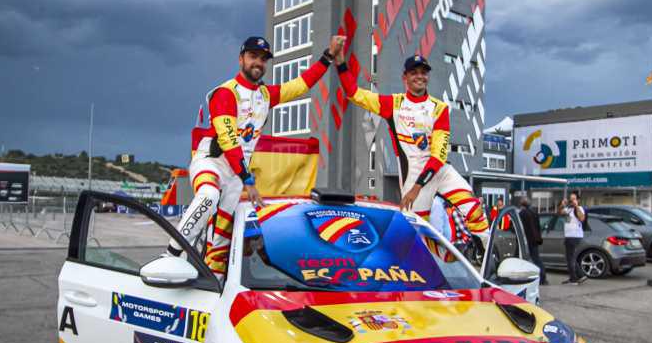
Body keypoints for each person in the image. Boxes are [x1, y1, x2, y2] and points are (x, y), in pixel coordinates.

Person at [167, 34, 347, 276]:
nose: (258, 63)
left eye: (263, 59)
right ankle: (171, 255)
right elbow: (229, 141)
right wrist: (249, 181)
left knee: (221, 240)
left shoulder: (265, 95)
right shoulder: (225, 93)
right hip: (212, 162)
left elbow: (302, 85)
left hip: (236, 176)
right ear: (241, 59)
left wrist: (328, 56)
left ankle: (213, 286)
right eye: (253, 56)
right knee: (208, 194)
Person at [337, 54, 490, 249]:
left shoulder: (439, 108)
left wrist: (416, 188)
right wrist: (341, 63)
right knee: (420, 237)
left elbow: (439, 155)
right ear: (405, 77)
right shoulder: (393, 104)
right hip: (413, 175)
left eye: (424, 73)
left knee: (474, 209)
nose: (420, 76)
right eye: (414, 72)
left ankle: (486, 261)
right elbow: (354, 94)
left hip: (438, 170)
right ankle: (431, 270)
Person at [518, 195, 548, 285]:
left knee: (528, 258)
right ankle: (542, 277)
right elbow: (538, 226)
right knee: (536, 258)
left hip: (527, 239)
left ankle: (541, 277)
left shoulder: (522, 214)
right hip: (535, 239)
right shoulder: (534, 212)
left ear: (521, 204)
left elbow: (519, 227)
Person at [558, 192, 587, 284]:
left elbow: (582, 218)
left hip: (574, 236)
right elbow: (559, 213)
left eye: (574, 199)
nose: (572, 201)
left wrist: (576, 206)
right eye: (571, 199)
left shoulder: (580, 208)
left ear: (578, 200)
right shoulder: (569, 209)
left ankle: (575, 278)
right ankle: (577, 276)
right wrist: (561, 205)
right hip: (569, 236)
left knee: (570, 258)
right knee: (570, 257)